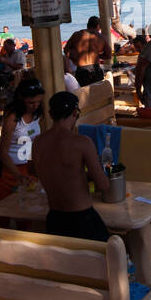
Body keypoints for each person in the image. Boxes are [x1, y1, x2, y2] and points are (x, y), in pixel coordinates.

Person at [32, 91, 110, 242]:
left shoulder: (37, 142)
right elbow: (103, 184)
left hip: (54, 218)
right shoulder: (82, 142)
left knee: (64, 263)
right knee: (111, 258)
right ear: (75, 113)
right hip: (82, 218)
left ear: (50, 113)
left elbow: (37, 170)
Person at [0, 77, 44, 202]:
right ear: (21, 99)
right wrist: (18, 175)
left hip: (24, 167)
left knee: (26, 212)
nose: (35, 105)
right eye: (31, 102)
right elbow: (3, 152)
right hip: (5, 170)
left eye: (38, 101)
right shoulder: (12, 117)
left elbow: (34, 144)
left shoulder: (37, 114)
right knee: (2, 213)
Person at [65, 16, 110, 86]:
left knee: (83, 94)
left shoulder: (76, 35)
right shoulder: (101, 37)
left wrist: (75, 58)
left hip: (81, 70)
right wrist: (97, 56)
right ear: (98, 26)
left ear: (88, 24)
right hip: (95, 69)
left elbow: (66, 50)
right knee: (98, 93)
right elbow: (108, 55)